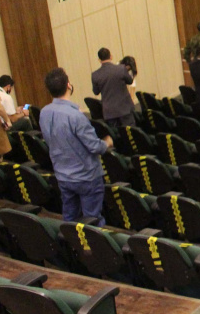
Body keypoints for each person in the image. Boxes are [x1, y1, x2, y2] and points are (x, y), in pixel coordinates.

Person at [40, 68, 113, 225]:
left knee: (70, 218)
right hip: (86, 177)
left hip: (63, 175)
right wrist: (107, 142)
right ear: (68, 85)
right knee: (92, 220)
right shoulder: (75, 116)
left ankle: (73, 247)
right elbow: (95, 147)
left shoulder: (44, 113)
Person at [91, 48, 135, 127]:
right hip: (125, 108)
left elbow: (96, 92)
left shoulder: (95, 75)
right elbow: (130, 81)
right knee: (130, 134)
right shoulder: (121, 69)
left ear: (99, 60)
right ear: (111, 56)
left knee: (116, 136)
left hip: (109, 112)